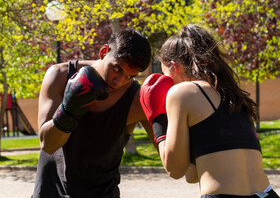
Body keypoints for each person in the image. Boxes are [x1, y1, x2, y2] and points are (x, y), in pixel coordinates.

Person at [140, 24, 279, 198]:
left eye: (165, 74)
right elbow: (192, 175)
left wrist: (157, 119)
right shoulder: (232, 95)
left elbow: (175, 170)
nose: (166, 83)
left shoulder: (181, 93)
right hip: (266, 194)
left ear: (174, 67)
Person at [32, 29, 156, 198]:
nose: (118, 81)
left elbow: (172, 158)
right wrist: (70, 109)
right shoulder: (60, 76)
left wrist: (177, 101)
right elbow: (48, 144)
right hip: (50, 193)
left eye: (129, 76)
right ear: (104, 52)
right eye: (117, 69)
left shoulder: (137, 99)